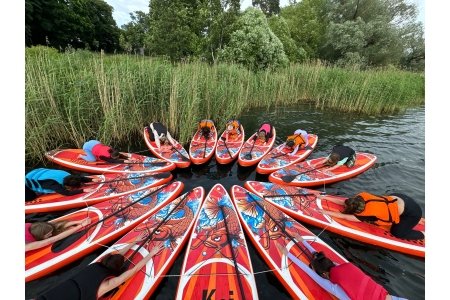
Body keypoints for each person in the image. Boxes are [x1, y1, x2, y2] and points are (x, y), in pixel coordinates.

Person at [276, 233, 407, 300]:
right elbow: (323, 258)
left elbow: (309, 273)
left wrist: (288, 255)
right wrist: (303, 241)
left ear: (324, 274)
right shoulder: (348, 266)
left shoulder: (336, 287)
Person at [34, 232, 164, 300]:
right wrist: (151, 253)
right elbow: (134, 269)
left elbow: (116, 255)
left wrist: (134, 242)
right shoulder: (107, 284)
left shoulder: (97, 264)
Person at [316, 192, 425, 240]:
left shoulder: (366, 214)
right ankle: (412, 219)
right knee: (388, 209)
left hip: (412, 212)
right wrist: (325, 198)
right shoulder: (359, 199)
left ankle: (423, 233)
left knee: (397, 232)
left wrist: (326, 212)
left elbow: (345, 217)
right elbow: (344, 202)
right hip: (400, 198)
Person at [25, 167, 99, 201]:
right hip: (26, 178)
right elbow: (66, 193)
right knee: (31, 197)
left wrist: (92, 179)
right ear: (66, 185)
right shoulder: (53, 184)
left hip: (32, 171)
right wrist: (83, 190)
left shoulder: (67, 175)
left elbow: (78, 178)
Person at [26, 217, 92, 252]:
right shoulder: (27, 245)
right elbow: (57, 237)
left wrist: (79, 221)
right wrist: (81, 226)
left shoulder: (31, 226)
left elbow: (54, 226)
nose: (51, 235)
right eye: (48, 234)